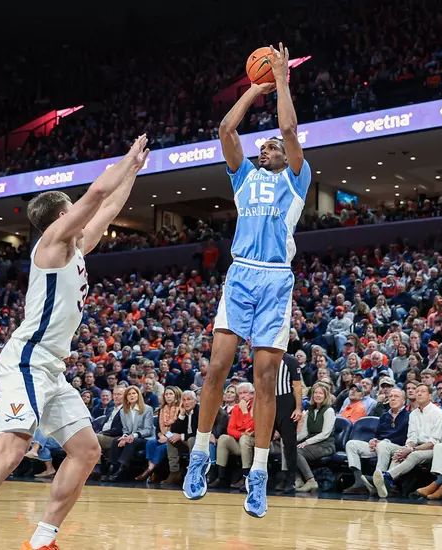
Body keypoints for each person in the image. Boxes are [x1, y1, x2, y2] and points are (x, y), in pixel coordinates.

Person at [0, 136, 149, 550]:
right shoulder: (51, 246)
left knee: (86, 451)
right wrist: (126, 158)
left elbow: (111, 205)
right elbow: (99, 192)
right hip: (28, 359)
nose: (89, 213)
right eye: (77, 210)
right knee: (10, 451)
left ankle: (43, 539)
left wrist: (133, 172)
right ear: (64, 215)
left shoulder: (78, 246)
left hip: (53, 367)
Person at [184, 43, 312, 519]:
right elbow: (225, 128)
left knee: (263, 381)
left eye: (272, 147)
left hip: (276, 280)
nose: (267, 147)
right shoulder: (243, 178)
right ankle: (199, 454)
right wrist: (252, 89)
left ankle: (258, 474)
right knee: (217, 366)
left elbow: (289, 127)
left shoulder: (297, 179)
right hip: (240, 275)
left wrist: (280, 82)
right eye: (263, 148)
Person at [365, 384, 442, 498]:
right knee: (397, 452)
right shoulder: (413, 414)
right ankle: (386, 484)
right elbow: (412, 437)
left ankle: (386, 477)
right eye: (417, 391)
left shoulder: (439, 413)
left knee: (413, 455)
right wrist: (407, 447)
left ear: (430, 396)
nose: (418, 393)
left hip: (436, 449)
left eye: (422, 391)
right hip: (416, 447)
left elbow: (433, 442)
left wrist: (411, 449)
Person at [343, 388, 409, 494]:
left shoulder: (409, 416)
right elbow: (377, 434)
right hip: (381, 446)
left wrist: (384, 441)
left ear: (403, 401)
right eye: (391, 396)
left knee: (383, 445)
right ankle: (359, 482)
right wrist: (373, 440)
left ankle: (378, 480)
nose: (392, 399)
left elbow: (406, 437)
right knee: (351, 444)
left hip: (397, 447)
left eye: (396, 396)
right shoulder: (384, 416)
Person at [210, 382, 257, 489]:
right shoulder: (236, 408)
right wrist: (241, 433)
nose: (242, 396)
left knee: (245, 439)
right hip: (240, 440)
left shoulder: (257, 406)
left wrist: (245, 411)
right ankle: (220, 477)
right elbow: (230, 429)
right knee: (223, 438)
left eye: (245, 393)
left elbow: (252, 428)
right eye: (240, 393)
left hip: (255, 441)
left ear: (252, 394)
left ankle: (246, 478)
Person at [293, 383, 337, 493]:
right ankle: (298, 479)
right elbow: (304, 432)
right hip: (312, 444)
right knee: (289, 448)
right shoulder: (309, 411)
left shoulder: (329, 411)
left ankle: (311, 481)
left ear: (325, 395)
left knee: (297, 452)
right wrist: (292, 439)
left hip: (325, 445)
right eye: (315, 393)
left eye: (321, 393)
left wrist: (307, 442)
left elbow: (325, 434)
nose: (318, 395)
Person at [106, 386, 156, 481]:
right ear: (126, 397)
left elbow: (148, 430)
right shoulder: (123, 411)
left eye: (134, 393)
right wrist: (124, 436)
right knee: (116, 441)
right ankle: (112, 468)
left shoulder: (147, 409)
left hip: (145, 438)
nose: (132, 396)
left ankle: (121, 470)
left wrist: (133, 435)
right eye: (129, 394)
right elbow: (125, 430)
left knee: (131, 442)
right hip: (130, 437)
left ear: (138, 395)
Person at [138, 386, 182, 482]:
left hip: (174, 438)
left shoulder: (180, 410)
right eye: (166, 394)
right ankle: (152, 471)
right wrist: (160, 435)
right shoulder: (161, 410)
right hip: (162, 436)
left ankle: (148, 471)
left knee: (160, 448)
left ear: (176, 396)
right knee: (150, 443)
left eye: (171, 394)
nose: (168, 396)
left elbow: (179, 428)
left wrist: (167, 437)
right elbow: (158, 428)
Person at [273, 353, 303, 493]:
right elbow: (258, 384)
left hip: (286, 403)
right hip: (268, 402)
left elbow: (297, 385)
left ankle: (291, 480)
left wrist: (298, 408)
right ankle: (260, 478)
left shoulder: (290, 360)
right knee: (261, 442)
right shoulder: (262, 357)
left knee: (290, 444)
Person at [161, 390, 200, 487]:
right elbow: (174, 429)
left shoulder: (200, 411)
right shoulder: (182, 411)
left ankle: (193, 473)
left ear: (195, 401)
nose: (186, 402)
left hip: (197, 442)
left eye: (189, 399)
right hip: (185, 442)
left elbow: (198, 431)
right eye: (184, 400)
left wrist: (181, 436)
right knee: (170, 437)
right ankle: (174, 472)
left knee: (191, 440)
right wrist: (181, 415)